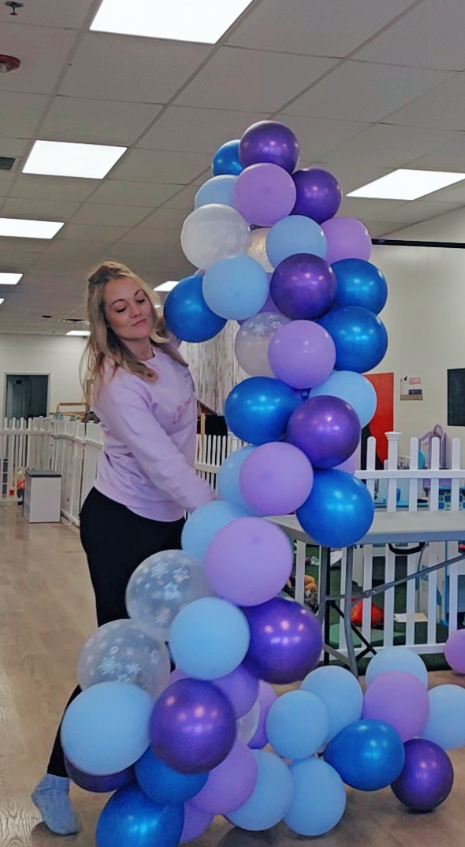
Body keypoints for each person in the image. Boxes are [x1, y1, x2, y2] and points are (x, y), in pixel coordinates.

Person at [32, 262, 214, 835]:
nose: (137, 311)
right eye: (121, 306)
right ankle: (54, 780)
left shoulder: (167, 348)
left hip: (168, 522)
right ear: (104, 321)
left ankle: (154, 767)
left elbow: (201, 299)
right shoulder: (114, 381)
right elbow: (161, 461)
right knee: (120, 657)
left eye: (140, 298)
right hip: (121, 523)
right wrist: (213, 511)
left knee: (178, 650)